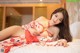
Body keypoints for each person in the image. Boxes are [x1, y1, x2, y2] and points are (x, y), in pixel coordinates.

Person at [0, 7, 72, 46]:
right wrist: (31, 29)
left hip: (24, 39)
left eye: (59, 19)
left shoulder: (55, 30)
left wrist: (63, 40)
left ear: (61, 22)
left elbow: (55, 40)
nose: (56, 20)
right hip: (19, 30)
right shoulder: (42, 18)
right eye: (56, 16)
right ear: (53, 14)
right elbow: (27, 25)